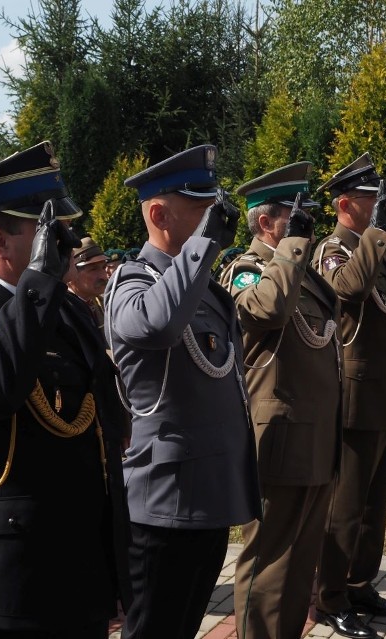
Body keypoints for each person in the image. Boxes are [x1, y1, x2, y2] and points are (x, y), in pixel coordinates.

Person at [0, 141, 132, 638]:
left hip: (81, 571)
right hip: (10, 586)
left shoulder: (66, 311)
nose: (68, 241)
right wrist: (38, 282)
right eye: (50, 233)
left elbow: (107, 414)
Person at [103, 145, 261, 639]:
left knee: (184, 626)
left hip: (208, 494)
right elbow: (156, 326)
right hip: (164, 503)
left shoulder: (205, 290)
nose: (214, 220)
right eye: (201, 210)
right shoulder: (131, 283)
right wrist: (204, 245)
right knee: (154, 630)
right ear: (158, 214)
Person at [222, 163, 343, 639]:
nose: (307, 227)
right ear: (269, 223)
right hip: (278, 439)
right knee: (269, 559)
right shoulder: (248, 270)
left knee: (300, 561)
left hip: (315, 436)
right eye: (296, 218)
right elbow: (268, 311)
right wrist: (291, 247)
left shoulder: (303, 274)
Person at [311, 153, 386, 639]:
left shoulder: (375, 248)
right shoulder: (335, 248)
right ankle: (329, 597)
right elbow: (346, 290)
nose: (379, 205)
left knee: (375, 503)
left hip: (384, 394)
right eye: (371, 198)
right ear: (346, 203)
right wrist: (375, 235)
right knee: (345, 506)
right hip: (355, 396)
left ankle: (358, 583)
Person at [67, 237, 109, 332]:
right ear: (72, 271)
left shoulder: (101, 303)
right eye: (93, 269)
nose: (104, 276)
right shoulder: (65, 310)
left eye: (104, 267)